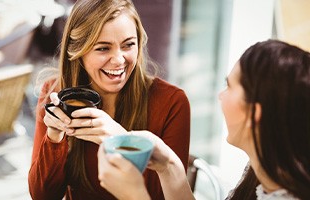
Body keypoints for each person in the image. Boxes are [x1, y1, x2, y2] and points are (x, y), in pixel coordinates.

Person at [98, 39, 310, 200]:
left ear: (255, 113)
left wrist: (135, 195)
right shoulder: (262, 176)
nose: (221, 95)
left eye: (230, 86)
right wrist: (169, 167)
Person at [28, 0, 191, 199]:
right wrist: (54, 136)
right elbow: (42, 196)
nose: (119, 60)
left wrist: (123, 141)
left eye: (128, 45)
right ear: (79, 51)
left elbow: (163, 195)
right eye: (103, 48)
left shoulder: (172, 102)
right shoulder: (56, 92)